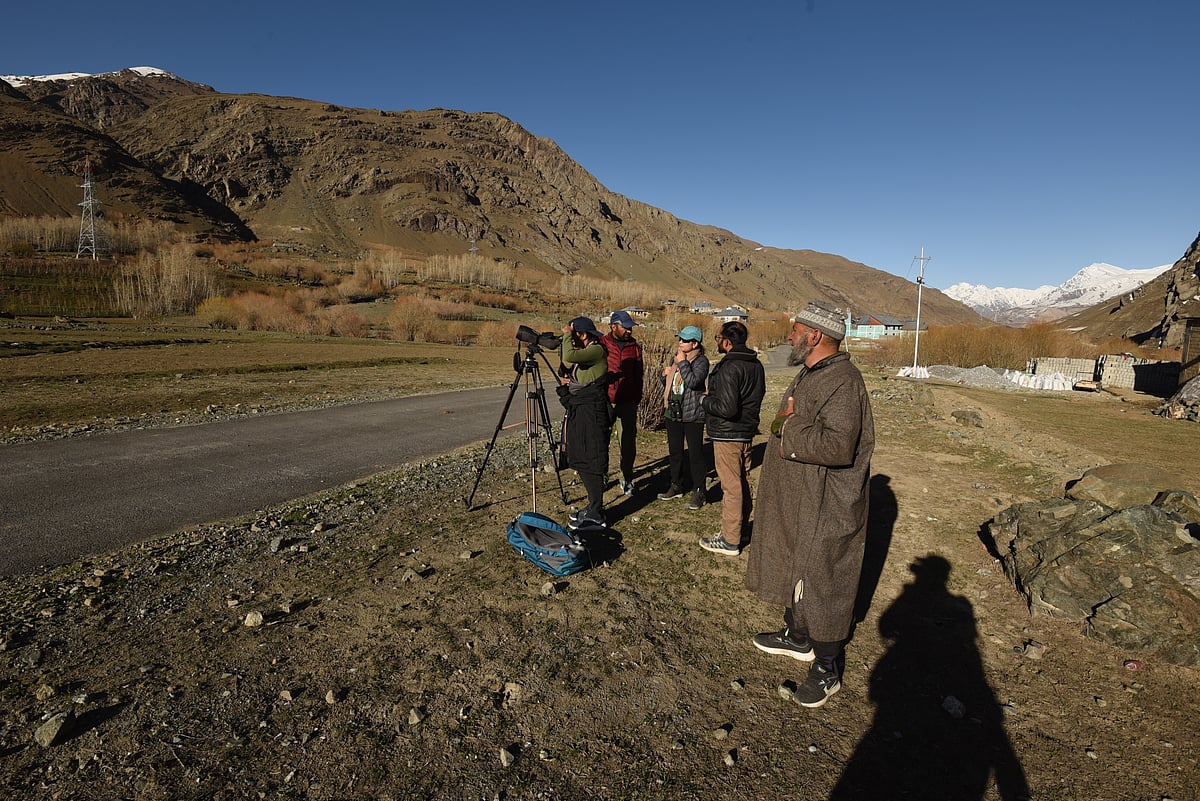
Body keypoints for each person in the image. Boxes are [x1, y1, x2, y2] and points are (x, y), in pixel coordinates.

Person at [745, 301, 874, 709]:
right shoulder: (812, 372)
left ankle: (828, 666)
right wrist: (786, 421)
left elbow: (837, 445)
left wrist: (790, 423)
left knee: (824, 576)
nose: (789, 335)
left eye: (796, 329)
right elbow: (780, 424)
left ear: (816, 335)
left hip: (826, 501)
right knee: (792, 560)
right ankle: (797, 635)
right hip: (799, 493)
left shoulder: (844, 381)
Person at [699, 320, 765, 554]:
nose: (717, 342)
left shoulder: (730, 367)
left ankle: (730, 539)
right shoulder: (755, 365)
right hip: (745, 431)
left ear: (727, 342)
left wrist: (705, 400)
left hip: (728, 433)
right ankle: (740, 529)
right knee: (743, 481)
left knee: (731, 486)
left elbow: (727, 408)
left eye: (718, 338)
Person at [557, 316, 611, 530]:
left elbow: (569, 354)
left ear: (582, 334)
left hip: (593, 411)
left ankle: (596, 513)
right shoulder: (586, 355)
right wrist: (568, 383)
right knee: (581, 455)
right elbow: (580, 375)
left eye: (573, 334)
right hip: (583, 409)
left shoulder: (596, 349)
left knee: (592, 457)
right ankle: (592, 506)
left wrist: (565, 335)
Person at [655, 325, 710, 509]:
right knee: (675, 453)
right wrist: (665, 375)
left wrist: (682, 363)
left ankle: (699, 491)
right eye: (679, 339)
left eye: (685, 340)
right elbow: (673, 386)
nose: (680, 342)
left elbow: (694, 382)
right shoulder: (676, 359)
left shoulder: (701, 361)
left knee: (695, 454)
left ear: (695, 343)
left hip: (693, 414)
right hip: (673, 411)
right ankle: (676, 485)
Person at [601, 310, 645, 495]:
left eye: (630, 327)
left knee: (627, 442)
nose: (629, 330)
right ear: (613, 326)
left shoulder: (635, 348)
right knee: (601, 442)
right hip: (605, 401)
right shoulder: (601, 344)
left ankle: (626, 477)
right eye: (625, 327)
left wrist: (636, 397)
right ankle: (601, 477)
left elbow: (639, 375)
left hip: (627, 402)